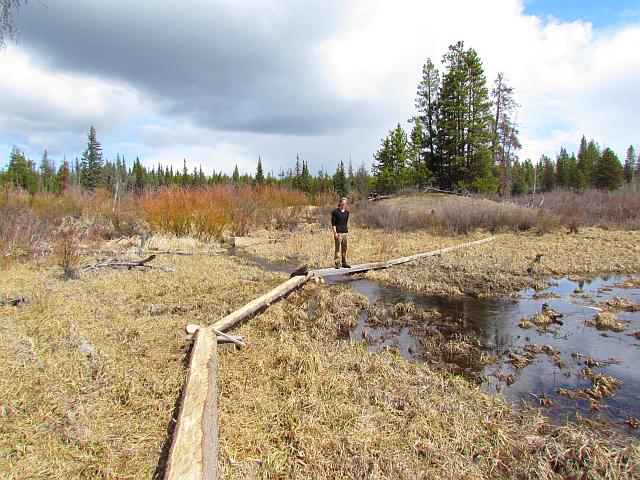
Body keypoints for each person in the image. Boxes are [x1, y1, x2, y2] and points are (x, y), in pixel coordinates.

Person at [331, 197, 350, 268]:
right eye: (343, 203)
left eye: (345, 203)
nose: (344, 204)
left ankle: (344, 262)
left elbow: (346, 222)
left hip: (345, 232)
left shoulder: (347, 212)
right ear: (340, 203)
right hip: (338, 232)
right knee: (337, 248)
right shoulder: (335, 212)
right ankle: (337, 263)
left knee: (344, 248)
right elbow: (333, 223)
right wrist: (335, 232)